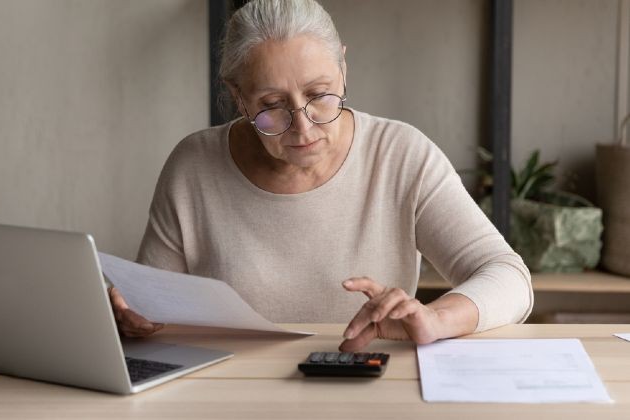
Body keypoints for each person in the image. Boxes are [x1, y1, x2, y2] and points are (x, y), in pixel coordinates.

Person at [109, 0, 533, 351]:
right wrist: (129, 315)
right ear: (238, 97)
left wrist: (436, 318)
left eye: (319, 95)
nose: (304, 126)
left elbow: (508, 276)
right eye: (272, 105)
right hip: (232, 393)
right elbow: (148, 308)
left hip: (367, 387)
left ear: (343, 69)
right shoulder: (193, 166)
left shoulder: (401, 155)